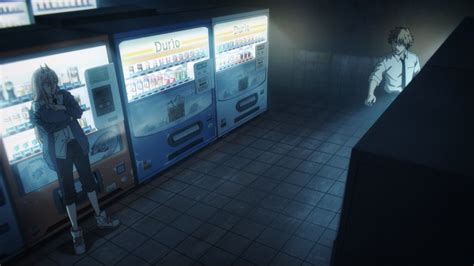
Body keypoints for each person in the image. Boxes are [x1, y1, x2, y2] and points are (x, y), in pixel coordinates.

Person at [29, 65, 119, 255]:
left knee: (89, 181)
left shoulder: (64, 95)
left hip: (77, 144)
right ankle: (76, 233)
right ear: (39, 86)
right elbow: (50, 125)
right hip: (60, 152)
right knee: (67, 190)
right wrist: (67, 114)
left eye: (53, 82)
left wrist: (62, 110)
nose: (52, 86)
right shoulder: (37, 107)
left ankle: (100, 217)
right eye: (47, 84)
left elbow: (77, 113)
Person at [365, 26, 421, 106]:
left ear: (406, 43)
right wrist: (370, 94)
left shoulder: (414, 58)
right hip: (389, 99)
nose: (396, 47)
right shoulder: (385, 60)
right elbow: (375, 77)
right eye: (394, 43)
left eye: (399, 44)